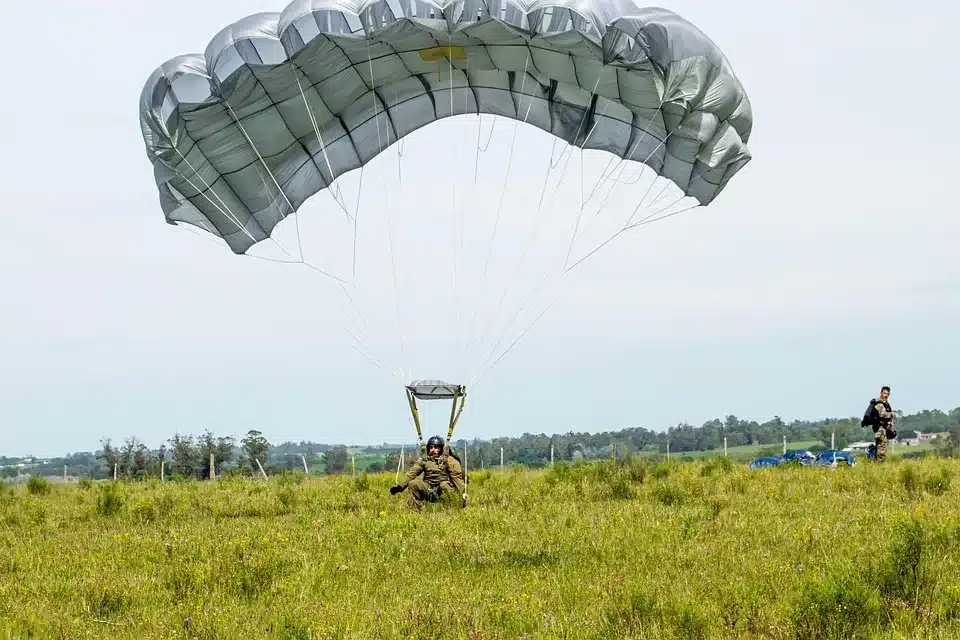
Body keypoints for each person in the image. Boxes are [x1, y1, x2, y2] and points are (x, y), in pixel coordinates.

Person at [390, 435, 466, 509]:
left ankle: (451, 509)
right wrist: (400, 486)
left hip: (443, 490)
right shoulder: (424, 460)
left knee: (444, 485)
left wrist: (463, 494)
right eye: (431, 447)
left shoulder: (450, 461)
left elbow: (457, 479)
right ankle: (414, 511)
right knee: (413, 484)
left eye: (436, 447)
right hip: (428, 490)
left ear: (441, 448)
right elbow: (411, 474)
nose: (433, 449)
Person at [861, 385, 896, 462]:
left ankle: (878, 464)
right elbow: (882, 414)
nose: (886, 395)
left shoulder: (885, 403)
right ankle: (880, 466)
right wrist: (891, 414)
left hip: (883, 428)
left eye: (887, 394)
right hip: (880, 429)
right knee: (881, 450)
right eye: (884, 393)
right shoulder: (879, 403)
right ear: (881, 393)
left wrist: (890, 422)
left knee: (882, 448)